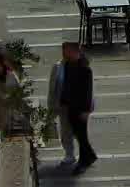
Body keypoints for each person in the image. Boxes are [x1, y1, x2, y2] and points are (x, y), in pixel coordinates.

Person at [60, 41, 97, 171]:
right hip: (70, 106)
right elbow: (66, 85)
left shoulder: (85, 69)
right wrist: (63, 101)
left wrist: (86, 110)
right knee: (78, 134)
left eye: (67, 51)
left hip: (81, 108)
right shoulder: (68, 65)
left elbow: (88, 92)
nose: (64, 53)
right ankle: (90, 156)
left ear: (75, 52)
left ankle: (84, 160)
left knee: (81, 135)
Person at [48, 40, 77, 169]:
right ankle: (69, 153)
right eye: (64, 50)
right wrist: (51, 106)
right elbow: (52, 87)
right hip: (62, 105)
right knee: (65, 131)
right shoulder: (57, 67)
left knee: (74, 130)